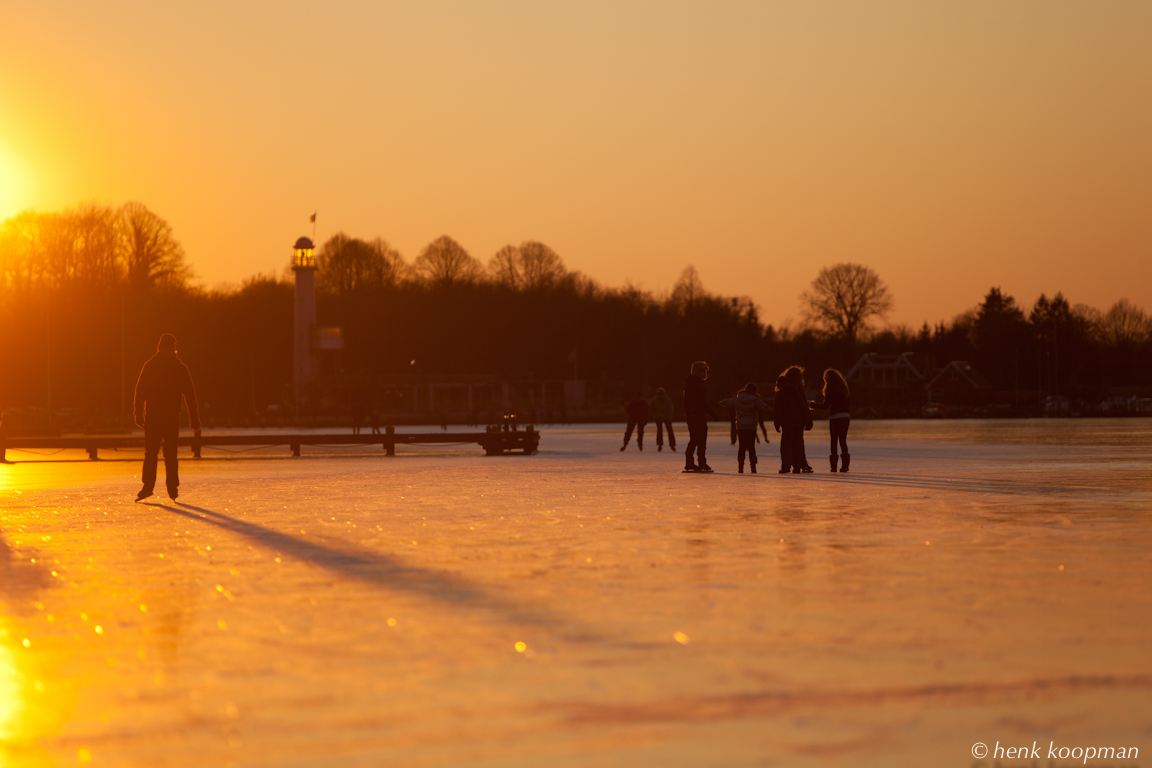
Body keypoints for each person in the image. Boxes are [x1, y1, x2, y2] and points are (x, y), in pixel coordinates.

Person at [133, 334, 200, 501]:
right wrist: (137, 413)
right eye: (162, 349)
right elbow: (140, 391)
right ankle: (148, 487)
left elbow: (190, 395)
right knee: (150, 453)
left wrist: (194, 418)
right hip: (153, 417)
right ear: (159, 349)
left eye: (168, 349)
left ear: (173, 350)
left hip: (171, 418)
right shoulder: (150, 366)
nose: (165, 352)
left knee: (171, 454)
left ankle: (172, 488)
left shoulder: (180, 369)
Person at [720, 383, 772, 473]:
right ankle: (753, 467)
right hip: (751, 426)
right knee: (751, 446)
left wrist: (724, 404)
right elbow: (766, 409)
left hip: (741, 426)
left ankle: (740, 467)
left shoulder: (738, 399)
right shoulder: (756, 400)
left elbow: (724, 402)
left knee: (742, 446)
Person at [773, 366, 813, 474]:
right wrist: (808, 420)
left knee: (786, 444)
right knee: (798, 443)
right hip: (798, 421)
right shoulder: (798, 390)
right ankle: (797, 467)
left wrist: (777, 422)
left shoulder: (782, 391)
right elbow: (803, 405)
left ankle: (786, 466)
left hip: (787, 421)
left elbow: (778, 408)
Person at [810, 368, 851, 472]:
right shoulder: (843, 388)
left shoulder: (830, 388)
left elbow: (825, 406)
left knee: (834, 441)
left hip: (835, 417)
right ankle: (845, 466)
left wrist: (811, 404)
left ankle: (833, 467)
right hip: (845, 416)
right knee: (843, 440)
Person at [683, 361, 718, 472]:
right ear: (699, 372)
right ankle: (700, 463)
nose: (705, 374)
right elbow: (701, 401)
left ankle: (691, 463)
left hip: (691, 414)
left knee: (694, 439)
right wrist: (712, 413)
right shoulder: (697, 383)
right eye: (704, 371)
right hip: (697, 415)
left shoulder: (689, 381)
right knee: (699, 440)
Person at [648, 387, 676, 452]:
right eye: (659, 395)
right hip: (658, 416)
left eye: (661, 395)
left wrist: (669, 418)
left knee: (670, 430)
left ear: (664, 394)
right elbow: (651, 408)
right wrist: (650, 416)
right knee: (659, 430)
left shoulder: (668, 400)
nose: (660, 396)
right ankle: (660, 445)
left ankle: (672, 445)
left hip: (667, 417)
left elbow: (671, 410)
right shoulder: (654, 400)